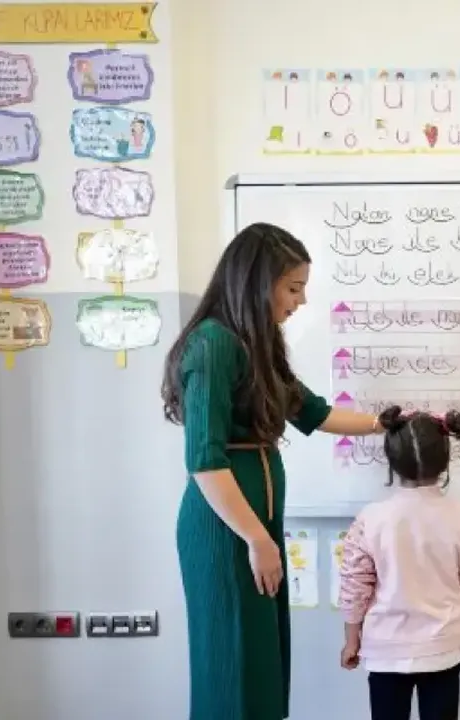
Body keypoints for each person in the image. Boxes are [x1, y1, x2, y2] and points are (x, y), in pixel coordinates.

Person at [161, 222, 392, 720]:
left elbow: (315, 413)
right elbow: (204, 461)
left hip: (254, 528)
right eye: (292, 288)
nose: (301, 301)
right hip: (226, 529)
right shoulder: (213, 345)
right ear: (256, 282)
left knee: (260, 659)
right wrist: (256, 539)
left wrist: (387, 423)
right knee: (231, 659)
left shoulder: (256, 345)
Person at [337, 407, 460, 720]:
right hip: (445, 646)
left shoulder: (371, 519)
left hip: (386, 649)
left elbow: (355, 585)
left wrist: (351, 639)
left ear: (392, 462)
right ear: (444, 462)